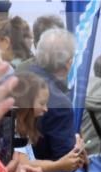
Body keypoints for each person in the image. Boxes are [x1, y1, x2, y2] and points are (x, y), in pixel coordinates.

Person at [27, 28, 81, 162]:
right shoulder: (61, 104)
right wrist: (78, 147)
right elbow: (66, 162)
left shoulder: (14, 79)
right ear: (69, 63)